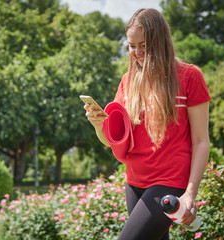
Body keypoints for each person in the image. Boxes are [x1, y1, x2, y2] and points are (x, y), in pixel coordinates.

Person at [84, 8, 210, 240]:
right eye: (132, 46)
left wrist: (190, 193)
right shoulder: (127, 82)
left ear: (160, 41)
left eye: (144, 45)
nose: (137, 52)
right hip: (134, 182)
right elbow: (114, 142)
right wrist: (98, 125)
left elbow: (201, 141)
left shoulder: (190, 77)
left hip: (169, 183)